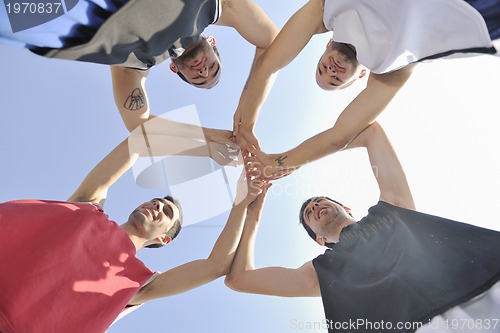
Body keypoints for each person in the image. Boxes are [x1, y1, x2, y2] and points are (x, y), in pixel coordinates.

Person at [225, 122, 500, 333]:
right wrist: (255, 209)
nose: (315, 206)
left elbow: (372, 131)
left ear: (347, 208)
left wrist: (289, 161)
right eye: (309, 214)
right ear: (319, 239)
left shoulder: (392, 209)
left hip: (486, 288)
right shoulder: (321, 272)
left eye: (320, 201)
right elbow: (239, 279)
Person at [0, 124, 269, 333]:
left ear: (164, 239)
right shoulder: (87, 208)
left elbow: (217, 266)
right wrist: (208, 142)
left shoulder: (138, 283)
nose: (156, 206)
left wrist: (242, 203)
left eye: (166, 212)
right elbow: (138, 140)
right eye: (155, 201)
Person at [233, 0, 500, 178]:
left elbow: (269, 64)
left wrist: (247, 123)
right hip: (472, 11)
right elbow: (339, 136)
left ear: (325, 46)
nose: (331, 70)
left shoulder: (326, 11)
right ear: (362, 75)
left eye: (322, 69)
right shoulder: (389, 68)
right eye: (335, 80)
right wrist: (279, 163)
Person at [0, 0, 278, 131]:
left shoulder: (135, 63)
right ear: (213, 42)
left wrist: (219, 139)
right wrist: (245, 115)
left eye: (198, 79)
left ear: (174, 69)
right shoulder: (215, 8)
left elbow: (140, 126)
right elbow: (271, 42)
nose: (204, 72)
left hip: (56, 16)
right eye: (214, 68)